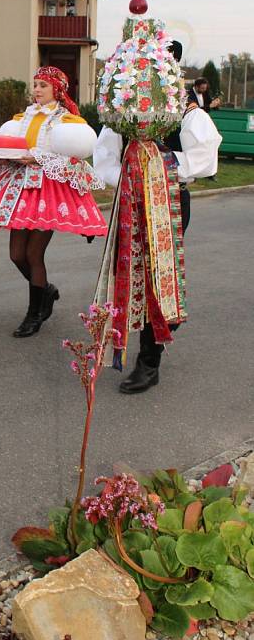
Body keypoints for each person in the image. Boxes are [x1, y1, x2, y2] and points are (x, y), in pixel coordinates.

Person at [93, 41, 222, 393]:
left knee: (158, 273)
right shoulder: (123, 113)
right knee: (129, 272)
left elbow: (205, 158)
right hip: (130, 199)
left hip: (170, 199)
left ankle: (149, 360)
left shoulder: (187, 111)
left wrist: (160, 166)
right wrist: (128, 172)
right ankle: (149, 327)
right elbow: (104, 157)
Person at [0, 66, 107, 337]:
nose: (37, 90)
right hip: (19, 188)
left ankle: (33, 313)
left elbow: (73, 157)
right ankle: (46, 291)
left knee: (33, 254)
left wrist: (38, 157)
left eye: (43, 85)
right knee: (16, 255)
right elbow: (11, 144)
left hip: (47, 191)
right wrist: (3, 156)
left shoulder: (67, 121)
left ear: (57, 90)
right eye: (35, 84)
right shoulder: (22, 117)